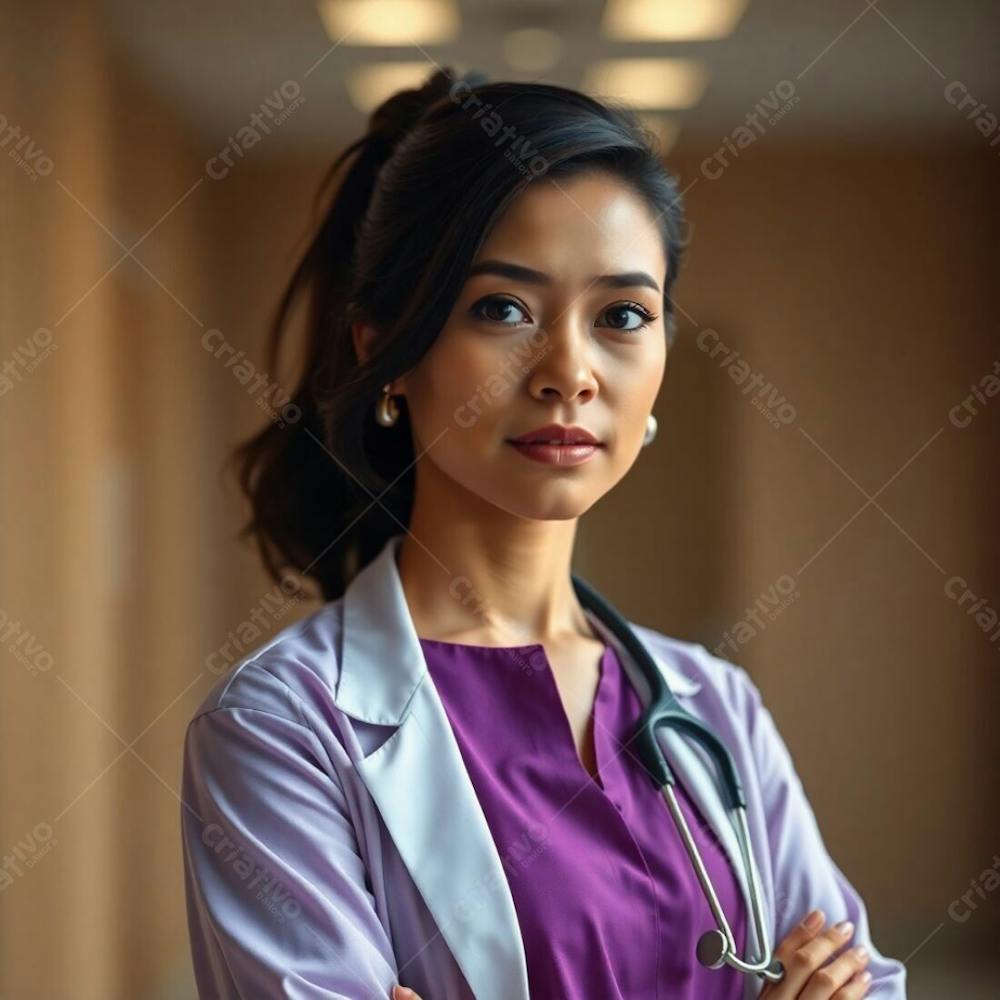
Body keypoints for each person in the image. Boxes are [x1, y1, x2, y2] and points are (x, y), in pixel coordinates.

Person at [180, 66, 907, 999]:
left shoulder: (714, 708)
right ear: (387, 352)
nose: (570, 369)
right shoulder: (282, 728)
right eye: (504, 308)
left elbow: (866, 985)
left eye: (623, 316)